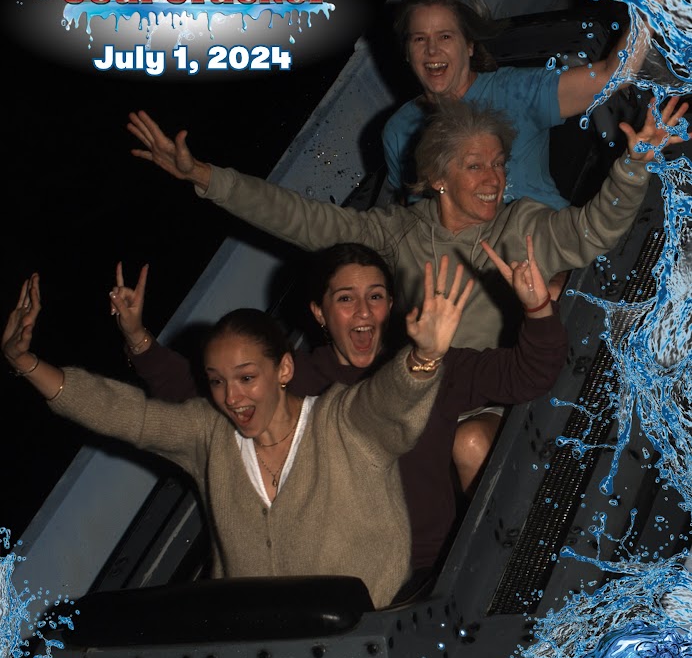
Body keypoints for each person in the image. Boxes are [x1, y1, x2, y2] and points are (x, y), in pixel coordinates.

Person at [125, 93, 687, 489]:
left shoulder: (522, 224)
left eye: (497, 164)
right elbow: (302, 219)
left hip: (495, 394)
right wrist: (203, 175)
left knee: (468, 446)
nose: (493, 178)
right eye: (475, 166)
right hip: (416, 398)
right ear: (439, 177)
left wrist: (632, 169)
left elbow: (588, 232)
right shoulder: (398, 232)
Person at [4, 257, 477, 609]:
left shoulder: (341, 423)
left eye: (247, 378)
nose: (232, 397)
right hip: (255, 646)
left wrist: (424, 357)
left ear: (284, 368)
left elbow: (389, 401)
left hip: (372, 630)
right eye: (216, 382)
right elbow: (124, 414)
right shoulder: (210, 435)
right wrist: (25, 363)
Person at [109, 240, 567, 578]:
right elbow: (196, 388)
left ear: (390, 305)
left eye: (376, 296)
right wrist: (138, 339)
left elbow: (528, 375)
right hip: (336, 580)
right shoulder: (295, 380)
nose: (363, 311)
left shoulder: (430, 365)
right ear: (320, 313)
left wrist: (537, 308)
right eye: (346, 299)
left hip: (432, 573)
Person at [382, 0, 648, 209]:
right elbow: (408, 211)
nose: (432, 50)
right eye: (419, 39)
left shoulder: (515, 90)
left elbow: (611, 74)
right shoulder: (397, 129)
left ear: (469, 45)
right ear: (406, 52)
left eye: (445, 37)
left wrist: (650, 0)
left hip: (548, 248)